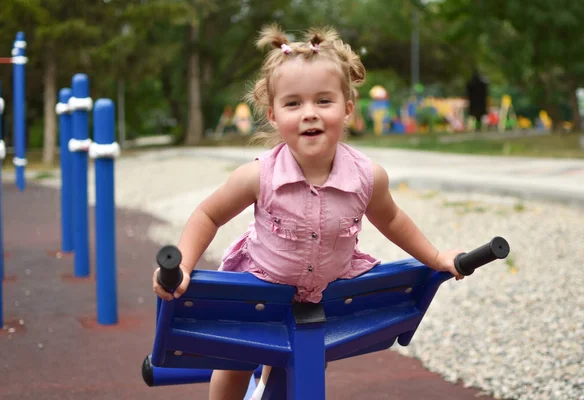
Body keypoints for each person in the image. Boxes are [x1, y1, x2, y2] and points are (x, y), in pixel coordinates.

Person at [153, 24, 464, 400]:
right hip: (260, 289)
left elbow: (392, 219)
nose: (309, 114)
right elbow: (208, 215)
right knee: (233, 363)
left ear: (347, 108)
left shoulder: (367, 177)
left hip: (323, 298)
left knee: (306, 362)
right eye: (293, 103)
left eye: (323, 101)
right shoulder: (259, 176)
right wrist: (184, 264)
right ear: (273, 114)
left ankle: (271, 379)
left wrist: (433, 257)